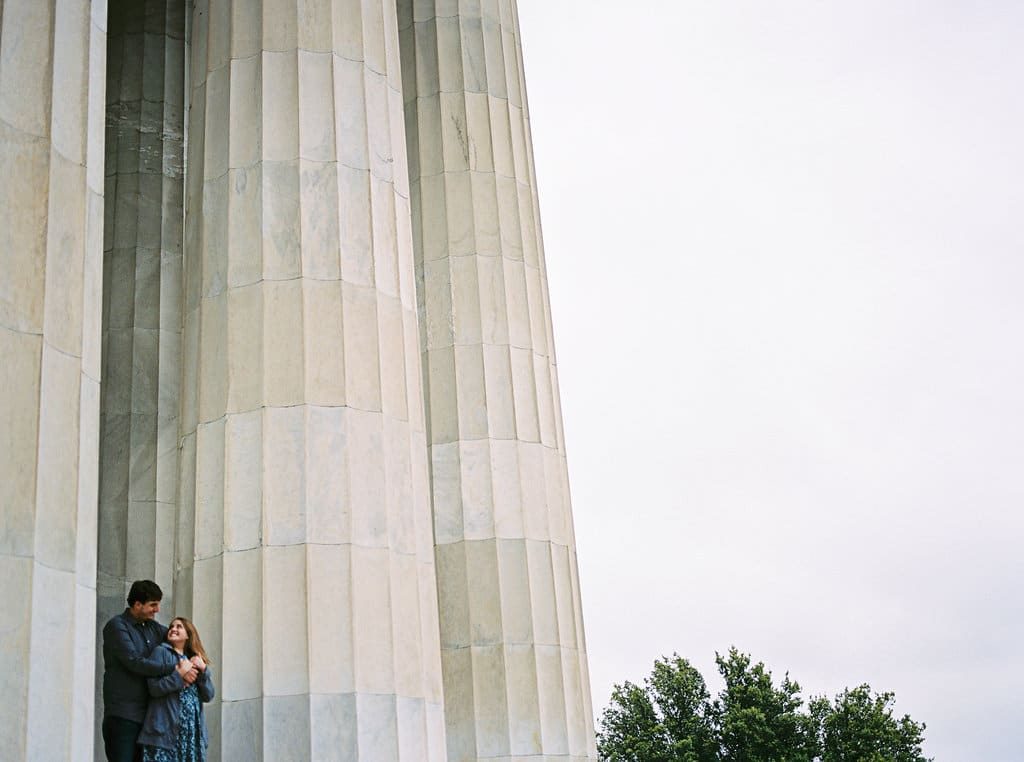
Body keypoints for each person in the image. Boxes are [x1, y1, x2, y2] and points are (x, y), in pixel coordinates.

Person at [103, 580, 197, 762]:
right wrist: (177, 669)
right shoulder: (117, 626)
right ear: (137, 605)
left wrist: (196, 661)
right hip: (124, 716)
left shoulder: (154, 628)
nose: (157, 610)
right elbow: (135, 662)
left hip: (150, 720)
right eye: (153, 605)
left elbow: (182, 638)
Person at [137, 617, 215, 762]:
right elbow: (154, 688)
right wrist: (179, 677)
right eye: (172, 626)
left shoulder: (193, 660)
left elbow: (209, 695)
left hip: (191, 734)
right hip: (166, 732)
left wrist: (204, 670)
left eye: (179, 626)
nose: (173, 629)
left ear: (188, 635)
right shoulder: (160, 652)